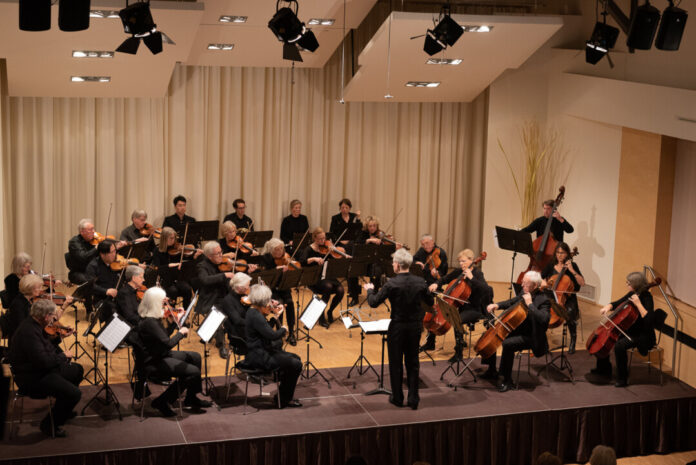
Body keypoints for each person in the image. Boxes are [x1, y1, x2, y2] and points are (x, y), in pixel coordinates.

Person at [364, 248, 434, 409]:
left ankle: (397, 397)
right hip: (415, 327)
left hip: (397, 327)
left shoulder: (392, 283)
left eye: (393, 262)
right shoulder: (420, 282)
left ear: (397, 265)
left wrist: (369, 290)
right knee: (413, 362)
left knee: (396, 363)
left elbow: (373, 302)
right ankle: (413, 399)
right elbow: (430, 303)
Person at [9, 299, 83, 437]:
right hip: (33, 378)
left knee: (77, 370)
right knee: (74, 394)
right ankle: (49, 425)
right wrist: (63, 356)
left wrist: (60, 337)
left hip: (41, 369)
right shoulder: (29, 332)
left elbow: (44, 347)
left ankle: (63, 408)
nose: (54, 319)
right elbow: (44, 362)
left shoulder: (34, 324)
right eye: (53, 316)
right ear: (46, 316)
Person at [135, 287, 211, 417]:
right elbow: (169, 343)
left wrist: (177, 321)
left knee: (195, 357)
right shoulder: (149, 322)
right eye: (163, 300)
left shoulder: (153, 318)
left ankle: (191, 398)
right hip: (153, 360)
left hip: (160, 352)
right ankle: (162, 401)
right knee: (193, 372)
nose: (166, 303)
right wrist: (181, 333)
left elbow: (164, 337)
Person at [482, 270, 551, 392]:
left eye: (526, 283)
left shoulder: (543, 300)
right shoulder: (524, 292)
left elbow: (544, 320)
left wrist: (530, 304)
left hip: (532, 336)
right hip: (519, 329)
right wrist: (497, 305)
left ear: (535, 285)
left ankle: (507, 380)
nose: (522, 285)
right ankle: (491, 369)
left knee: (508, 344)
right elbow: (512, 302)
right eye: (522, 282)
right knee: (492, 332)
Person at [423, 249, 492, 361]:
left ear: (471, 260)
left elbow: (486, 290)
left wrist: (472, 278)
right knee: (435, 312)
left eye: (463, 261)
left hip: (474, 307)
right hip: (460, 305)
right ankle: (430, 343)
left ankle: (458, 352)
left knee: (456, 319)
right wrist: (436, 283)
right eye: (460, 261)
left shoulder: (477, 273)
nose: (461, 264)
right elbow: (445, 279)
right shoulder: (459, 271)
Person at [591, 271, 655, 387]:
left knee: (620, 346)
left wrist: (638, 304)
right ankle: (604, 368)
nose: (626, 284)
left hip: (643, 334)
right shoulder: (633, 292)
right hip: (630, 330)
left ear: (636, 284)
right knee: (604, 338)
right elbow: (618, 302)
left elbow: (649, 320)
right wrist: (608, 306)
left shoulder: (647, 298)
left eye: (628, 282)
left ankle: (622, 378)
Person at [244, 283, 302, 408]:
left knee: (296, 358)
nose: (270, 303)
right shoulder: (256, 316)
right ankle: (284, 399)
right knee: (295, 364)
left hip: (262, 351)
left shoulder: (253, 311)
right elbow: (272, 335)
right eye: (268, 300)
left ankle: (282, 395)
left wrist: (276, 316)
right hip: (260, 356)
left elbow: (265, 329)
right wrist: (283, 329)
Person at [541, 242, 584, 354]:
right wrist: (544, 283)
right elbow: (540, 278)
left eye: (562, 253)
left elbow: (582, 283)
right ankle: (542, 342)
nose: (559, 255)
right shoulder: (551, 265)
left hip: (568, 298)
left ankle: (573, 340)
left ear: (567, 254)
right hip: (553, 297)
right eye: (557, 252)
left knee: (570, 312)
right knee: (542, 311)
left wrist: (572, 271)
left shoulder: (573, 266)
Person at [5, 274, 75, 342]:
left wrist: (64, 306)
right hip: (23, 343)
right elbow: (24, 329)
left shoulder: (30, 300)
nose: (41, 289)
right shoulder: (18, 304)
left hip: (32, 338)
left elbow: (51, 320)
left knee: (55, 345)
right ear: (30, 288)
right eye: (38, 287)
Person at [300, 228, 346, 329]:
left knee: (341, 290)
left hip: (327, 276)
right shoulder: (309, 249)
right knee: (328, 287)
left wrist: (335, 252)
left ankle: (330, 311)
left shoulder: (326, 248)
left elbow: (335, 260)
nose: (323, 241)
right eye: (320, 239)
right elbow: (302, 261)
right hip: (314, 278)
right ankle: (321, 316)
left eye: (324, 238)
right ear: (314, 238)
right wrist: (314, 259)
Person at [196, 242, 235, 358]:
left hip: (225, 297)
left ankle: (235, 338)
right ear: (209, 256)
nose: (221, 255)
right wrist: (224, 276)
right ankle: (221, 345)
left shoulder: (224, 263)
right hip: (210, 299)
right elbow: (205, 280)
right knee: (218, 315)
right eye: (217, 254)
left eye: (221, 252)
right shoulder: (202, 266)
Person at [259, 238, 297, 345]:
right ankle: (279, 332)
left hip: (283, 287)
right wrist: (277, 269)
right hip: (271, 290)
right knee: (279, 305)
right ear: (271, 250)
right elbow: (264, 275)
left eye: (282, 249)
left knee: (290, 303)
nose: (281, 251)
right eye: (277, 249)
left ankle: (291, 332)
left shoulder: (285, 258)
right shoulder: (265, 258)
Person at [152, 227, 200, 311]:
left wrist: (195, 256)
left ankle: (184, 313)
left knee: (187, 289)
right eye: (171, 238)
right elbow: (157, 268)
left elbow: (188, 261)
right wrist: (169, 265)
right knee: (172, 291)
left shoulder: (177, 248)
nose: (173, 240)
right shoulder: (157, 251)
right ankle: (171, 314)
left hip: (179, 278)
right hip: (165, 279)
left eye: (174, 238)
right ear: (164, 238)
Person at [329, 198, 362, 306]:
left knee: (353, 270)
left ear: (349, 208)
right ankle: (348, 291)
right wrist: (338, 243)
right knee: (346, 269)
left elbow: (358, 231)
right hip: (340, 246)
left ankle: (354, 295)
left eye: (346, 207)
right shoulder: (335, 218)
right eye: (342, 207)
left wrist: (358, 218)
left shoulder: (353, 217)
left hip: (352, 245)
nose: (344, 209)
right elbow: (332, 233)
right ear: (340, 208)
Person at [85, 241, 121, 322]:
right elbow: (90, 286)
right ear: (102, 254)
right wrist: (106, 291)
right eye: (112, 252)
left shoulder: (118, 263)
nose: (115, 254)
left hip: (119, 295)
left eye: (115, 251)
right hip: (102, 299)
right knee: (114, 312)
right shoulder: (93, 266)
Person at [219, 272, 252, 342]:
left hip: (248, 327)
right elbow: (238, 321)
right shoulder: (228, 301)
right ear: (239, 287)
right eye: (247, 286)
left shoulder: (245, 295)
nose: (249, 288)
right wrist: (255, 323)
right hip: (240, 333)